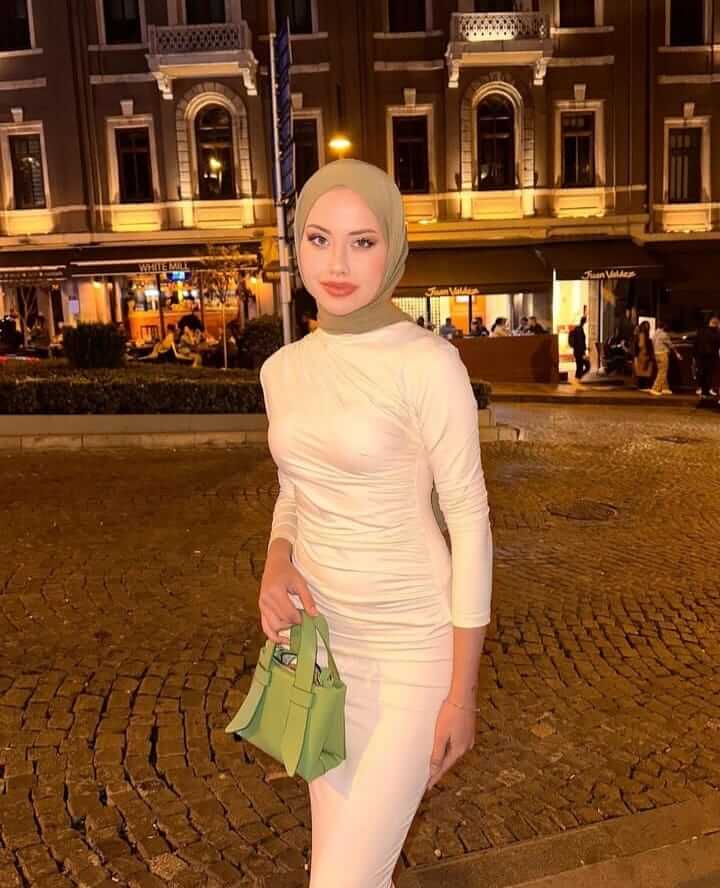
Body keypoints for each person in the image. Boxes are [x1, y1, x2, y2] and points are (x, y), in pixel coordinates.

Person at [257, 160, 492, 888]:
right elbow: (294, 489)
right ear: (297, 246)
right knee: (349, 872)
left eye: (362, 242)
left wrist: (462, 694)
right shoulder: (281, 370)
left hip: (410, 649)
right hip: (319, 649)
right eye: (319, 239)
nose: (337, 263)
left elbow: (470, 521)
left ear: (392, 247)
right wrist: (276, 559)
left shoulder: (428, 364)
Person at [649, 320, 682, 396]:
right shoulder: (664, 335)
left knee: (661, 371)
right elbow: (671, 345)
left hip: (656, 354)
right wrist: (677, 353)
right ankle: (655, 388)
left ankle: (664, 388)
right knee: (662, 372)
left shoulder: (655, 333)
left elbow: (652, 343)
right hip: (662, 354)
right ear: (664, 326)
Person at [693, 315, 720, 399]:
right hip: (711, 357)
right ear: (717, 324)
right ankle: (707, 391)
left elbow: (695, 344)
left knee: (701, 374)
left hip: (700, 357)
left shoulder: (701, 331)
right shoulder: (716, 333)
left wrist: (694, 356)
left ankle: (702, 391)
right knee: (709, 374)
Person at [632, 320, 655, 390]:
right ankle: (643, 385)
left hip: (642, 354)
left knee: (642, 371)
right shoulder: (642, 335)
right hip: (642, 354)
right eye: (646, 326)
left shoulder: (640, 335)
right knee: (643, 370)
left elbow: (638, 345)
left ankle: (642, 385)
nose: (647, 328)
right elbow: (641, 345)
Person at [571, 316, 591, 381]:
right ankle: (578, 378)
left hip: (577, 352)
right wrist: (584, 350)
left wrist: (585, 348)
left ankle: (578, 379)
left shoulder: (579, 328)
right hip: (579, 352)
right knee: (587, 366)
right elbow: (580, 342)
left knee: (579, 367)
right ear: (584, 321)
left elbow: (580, 341)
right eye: (585, 321)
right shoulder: (579, 329)